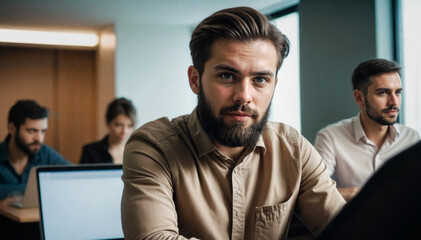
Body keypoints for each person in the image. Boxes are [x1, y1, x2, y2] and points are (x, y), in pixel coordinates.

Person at [121, 7, 345, 240]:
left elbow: (348, 229)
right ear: (195, 80)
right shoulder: (153, 147)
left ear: (274, 86)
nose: (244, 96)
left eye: (260, 79)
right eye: (228, 76)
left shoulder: (293, 148)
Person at [314, 59, 420, 202]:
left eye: (398, 92)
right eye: (383, 93)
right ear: (359, 98)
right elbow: (316, 193)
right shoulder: (330, 137)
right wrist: (356, 194)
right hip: (355, 224)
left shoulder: (412, 138)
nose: (394, 102)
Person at [0, 100, 70, 206]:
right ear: (12, 129)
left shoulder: (45, 153)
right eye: (32, 131)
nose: (39, 139)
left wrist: (10, 193)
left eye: (43, 131)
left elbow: (71, 179)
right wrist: (42, 187)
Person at [79, 98, 136, 164]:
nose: (124, 132)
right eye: (118, 125)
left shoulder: (139, 152)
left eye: (130, 126)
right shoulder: (90, 152)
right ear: (108, 123)